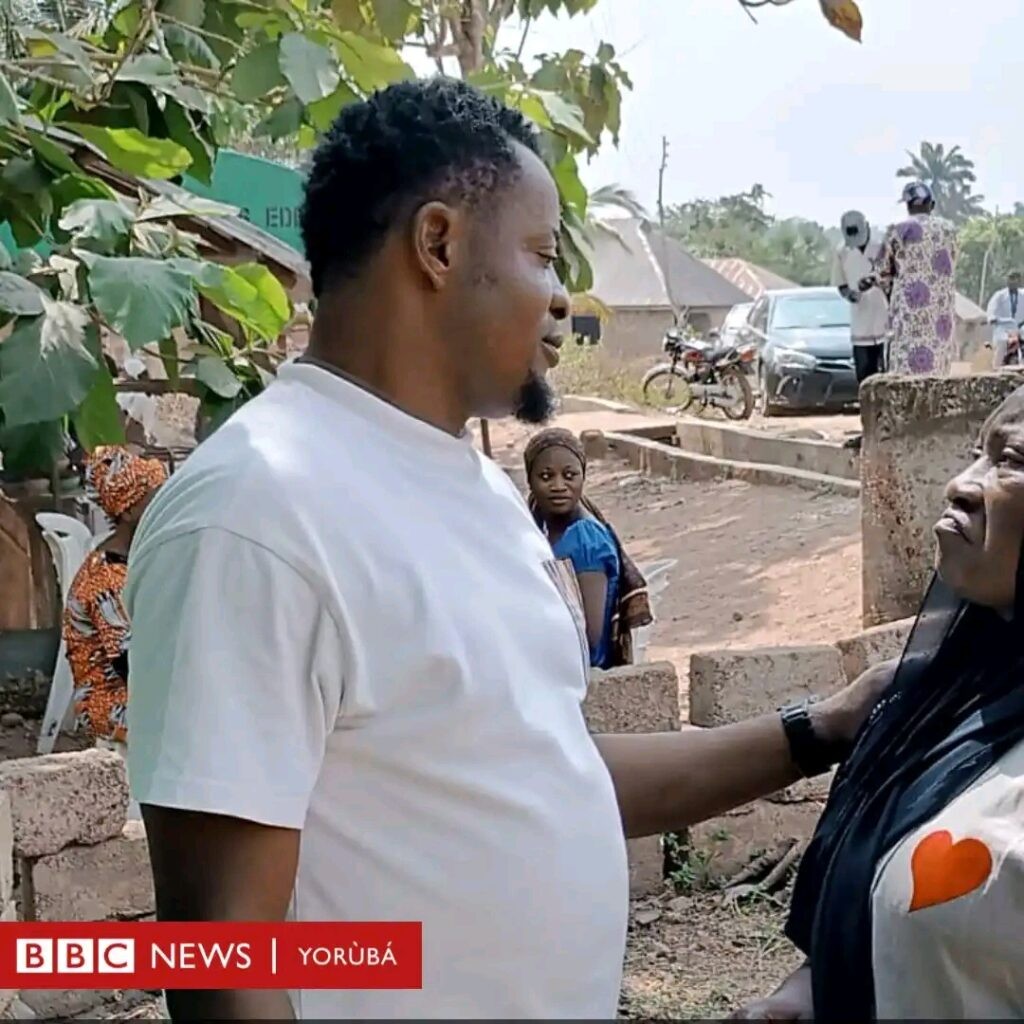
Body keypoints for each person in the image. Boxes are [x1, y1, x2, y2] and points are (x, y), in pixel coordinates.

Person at [124, 78, 890, 1021]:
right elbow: (222, 960)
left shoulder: (479, 489)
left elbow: (548, 769)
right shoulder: (257, 517)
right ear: (438, 244)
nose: (563, 299)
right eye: (542, 254)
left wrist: (820, 731)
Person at [734, 384, 1024, 1021]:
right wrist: (805, 995)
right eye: (976, 453)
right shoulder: (934, 700)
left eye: (1013, 461)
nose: (962, 484)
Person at [64, 446, 166, 752]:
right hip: (110, 700)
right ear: (129, 511)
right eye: (156, 499)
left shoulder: (133, 560)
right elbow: (132, 665)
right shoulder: (107, 578)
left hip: (134, 687)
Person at [524, 428, 650, 669]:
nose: (558, 485)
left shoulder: (585, 540)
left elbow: (589, 638)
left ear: (583, 476)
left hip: (583, 671)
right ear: (530, 480)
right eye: (546, 476)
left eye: (569, 475)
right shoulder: (546, 527)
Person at [875, 182, 959, 376]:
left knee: (904, 375)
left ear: (908, 205)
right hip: (941, 316)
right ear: (932, 205)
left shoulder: (897, 230)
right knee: (938, 372)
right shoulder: (949, 230)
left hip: (908, 316)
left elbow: (881, 272)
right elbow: (952, 263)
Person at [831, 210, 889, 384]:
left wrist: (877, 282)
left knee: (886, 373)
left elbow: (894, 276)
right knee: (864, 376)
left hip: (885, 319)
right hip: (860, 322)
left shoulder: (882, 246)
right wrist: (850, 295)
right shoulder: (842, 251)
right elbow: (840, 284)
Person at [987, 270, 1024, 368]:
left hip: (1020, 328)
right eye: (1010, 278)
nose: (1012, 281)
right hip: (1003, 327)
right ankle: (996, 367)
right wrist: (994, 318)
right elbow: (991, 312)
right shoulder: (999, 296)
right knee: (1002, 342)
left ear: (1020, 281)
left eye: (1015, 279)